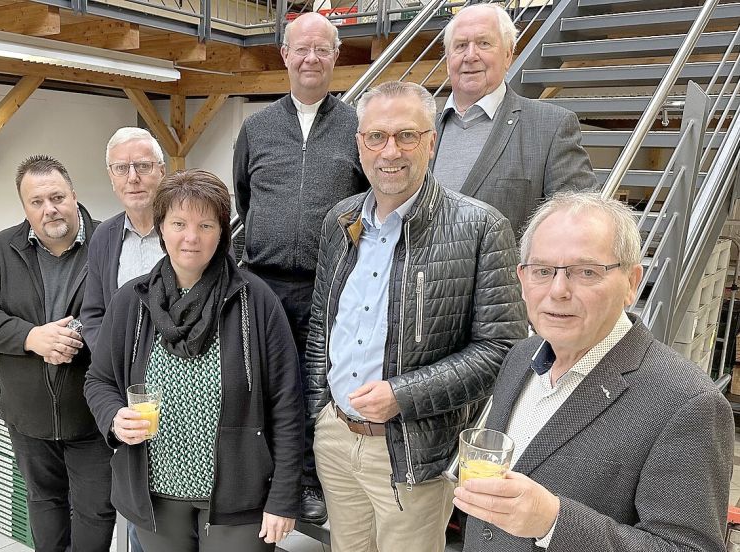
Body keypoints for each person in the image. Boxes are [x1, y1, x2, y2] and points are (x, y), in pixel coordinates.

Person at [305, 80, 527, 552]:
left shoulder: (480, 227)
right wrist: (317, 414)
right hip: (337, 437)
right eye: (376, 137)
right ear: (359, 144)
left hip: (413, 450)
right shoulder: (340, 220)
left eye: (407, 136)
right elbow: (322, 329)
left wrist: (402, 395)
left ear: (432, 142)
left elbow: (502, 350)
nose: (390, 151)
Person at [455, 192, 734, 552]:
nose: (558, 291)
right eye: (542, 271)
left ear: (632, 282)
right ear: (522, 279)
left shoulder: (687, 403)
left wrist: (552, 522)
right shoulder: (521, 357)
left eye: (586, 272)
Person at [85, 169, 304, 552]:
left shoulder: (256, 301)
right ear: (161, 229)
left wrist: (284, 496)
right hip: (157, 495)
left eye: (205, 224)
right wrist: (114, 418)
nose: (191, 237)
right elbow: (98, 381)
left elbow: (287, 405)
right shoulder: (131, 302)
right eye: (179, 223)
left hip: (240, 500)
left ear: (222, 233)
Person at [233, 11, 368, 524]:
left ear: (335, 56)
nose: (310, 58)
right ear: (284, 55)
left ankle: (309, 481)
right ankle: (263, 477)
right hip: (264, 282)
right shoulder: (257, 127)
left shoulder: (356, 127)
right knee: (261, 382)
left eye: (322, 49)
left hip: (329, 285)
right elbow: (245, 199)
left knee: (318, 387)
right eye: (300, 49)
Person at [0, 155, 114, 552]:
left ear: (74, 196)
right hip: (28, 413)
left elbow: (125, 310)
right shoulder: (2, 249)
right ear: (24, 208)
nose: (50, 209)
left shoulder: (108, 243)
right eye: (37, 202)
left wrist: (75, 336)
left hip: (92, 413)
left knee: (96, 510)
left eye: (57, 197)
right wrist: (31, 337)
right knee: (44, 503)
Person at [432, 3, 597, 235]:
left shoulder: (550, 128)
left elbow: (580, 224)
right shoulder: (422, 128)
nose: (470, 56)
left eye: (484, 43)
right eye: (460, 46)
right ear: (448, 58)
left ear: (508, 54)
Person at [78, 128, 167, 552]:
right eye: (122, 168)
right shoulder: (104, 237)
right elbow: (93, 313)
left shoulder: (187, 229)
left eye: (143, 166)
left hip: (188, 379)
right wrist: (114, 361)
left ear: (161, 172)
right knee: (135, 491)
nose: (133, 177)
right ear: (111, 177)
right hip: (128, 387)